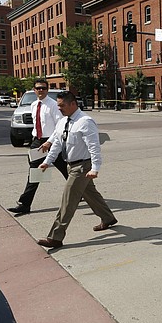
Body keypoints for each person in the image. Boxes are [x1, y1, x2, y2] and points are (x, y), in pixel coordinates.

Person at [36, 91, 117, 249]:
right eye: (58, 105)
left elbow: (94, 147)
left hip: (82, 167)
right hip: (71, 165)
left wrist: (95, 168)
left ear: (73, 104)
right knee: (91, 194)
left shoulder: (85, 122)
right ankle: (108, 218)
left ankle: (55, 237)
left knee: (68, 201)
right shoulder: (62, 122)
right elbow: (57, 145)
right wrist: (47, 162)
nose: (59, 108)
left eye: (62, 105)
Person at [7, 79, 69, 215]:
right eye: (38, 88)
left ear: (47, 90)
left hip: (52, 142)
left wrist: (50, 142)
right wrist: (34, 140)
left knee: (65, 169)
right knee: (35, 171)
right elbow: (37, 125)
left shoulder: (53, 105)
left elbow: (60, 126)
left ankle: (82, 190)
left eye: (43, 88)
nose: (41, 90)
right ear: (34, 90)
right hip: (38, 141)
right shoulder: (34, 105)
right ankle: (25, 204)